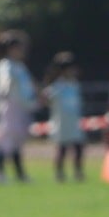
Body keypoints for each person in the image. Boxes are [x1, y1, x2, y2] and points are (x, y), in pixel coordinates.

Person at [0, 29, 37, 182]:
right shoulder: (6, 65)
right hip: (10, 107)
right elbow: (5, 82)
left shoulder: (20, 66)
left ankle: (19, 173)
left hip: (21, 107)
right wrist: (5, 89)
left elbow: (29, 85)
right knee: (6, 140)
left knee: (17, 141)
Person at [44, 53, 86, 183]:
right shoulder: (58, 86)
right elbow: (46, 97)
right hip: (61, 122)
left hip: (74, 122)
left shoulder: (75, 85)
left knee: (78, 147)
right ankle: (60, 174)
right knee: (62, 150)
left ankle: (78, 172)